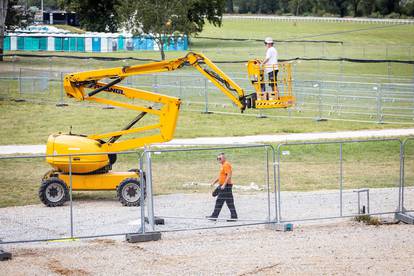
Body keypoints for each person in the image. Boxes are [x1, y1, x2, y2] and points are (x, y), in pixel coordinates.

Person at [206, 153, 238, 221]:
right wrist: (214, 182)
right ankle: (234, 217)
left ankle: (214, 216)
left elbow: (229, 175)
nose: (219, 160)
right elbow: (221, 176)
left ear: (224, 158)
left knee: (219, 201)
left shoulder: (226, 164)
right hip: (225, 186)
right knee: (230, 202)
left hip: (225, 186)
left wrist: (224, 185)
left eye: (220, 158)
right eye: (218, 159)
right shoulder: (223, 165)